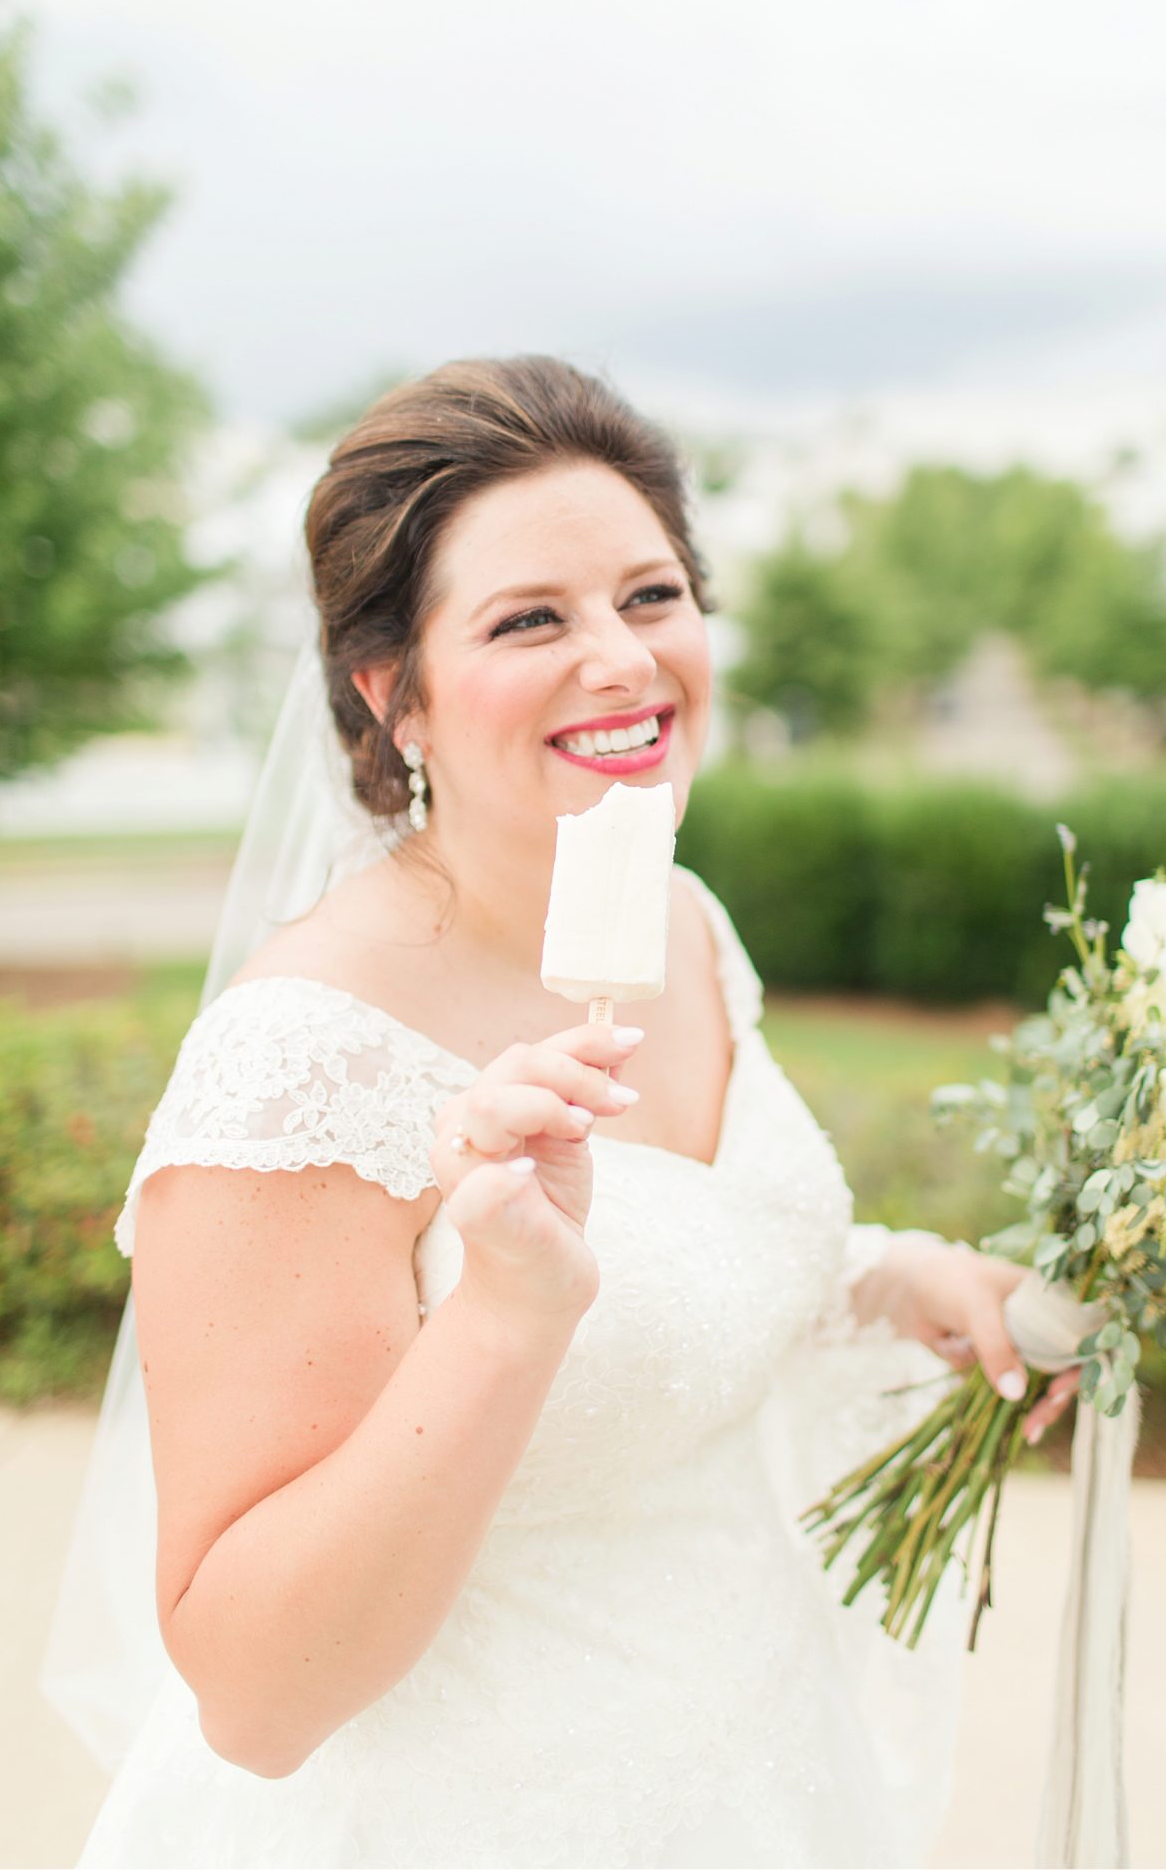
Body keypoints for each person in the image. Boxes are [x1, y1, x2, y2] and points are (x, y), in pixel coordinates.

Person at [64, 357, 1078, 1869]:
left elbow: (696, 1262)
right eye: (529, 618)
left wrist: (895, 1278)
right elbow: (255, 1695)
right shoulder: (295, 1058)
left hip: (761, 1779)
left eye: (651, 595)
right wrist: (504, 1314)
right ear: (388, 691)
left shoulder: (680, 923)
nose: (622, 659)